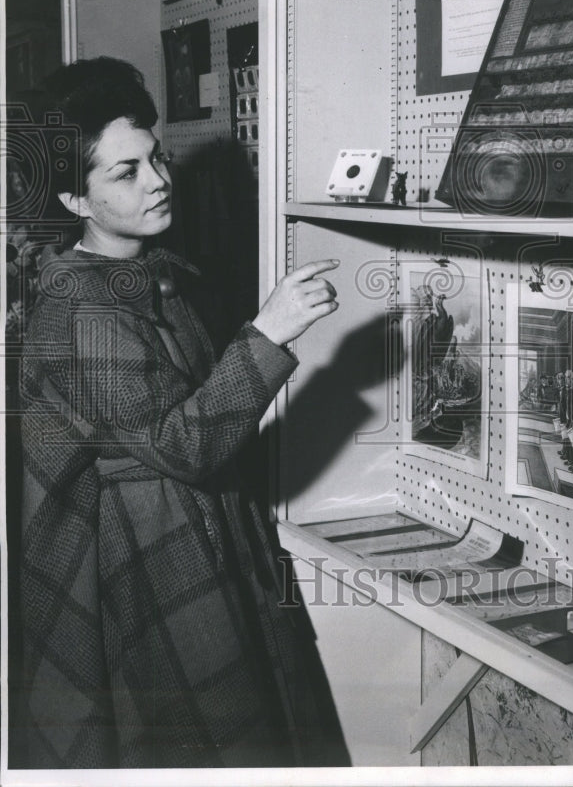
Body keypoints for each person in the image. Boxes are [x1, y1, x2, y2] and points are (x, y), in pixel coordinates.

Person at [17, 58, 348, 769]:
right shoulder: (81, 309)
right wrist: (270, 332)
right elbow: (186, 443)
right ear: (77, 201)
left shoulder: (154, 274)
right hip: (146, 564)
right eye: (126, 172)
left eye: (155, 158)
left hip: (194, 536)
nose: (159, 180)